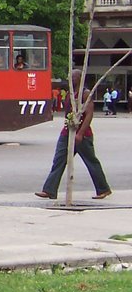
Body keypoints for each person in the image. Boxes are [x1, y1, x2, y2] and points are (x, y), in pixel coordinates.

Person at [35, 70, 112, 201]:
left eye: (74, 77)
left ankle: (103, 189)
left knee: (91, 161)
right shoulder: (70, 93)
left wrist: (80, 133)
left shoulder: (85, 93)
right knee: (59, 160)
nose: (70, 79)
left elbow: (89, 114)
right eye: (70, 77)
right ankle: (49, 190)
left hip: (82, 134)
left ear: (80, 78)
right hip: (67, 131)